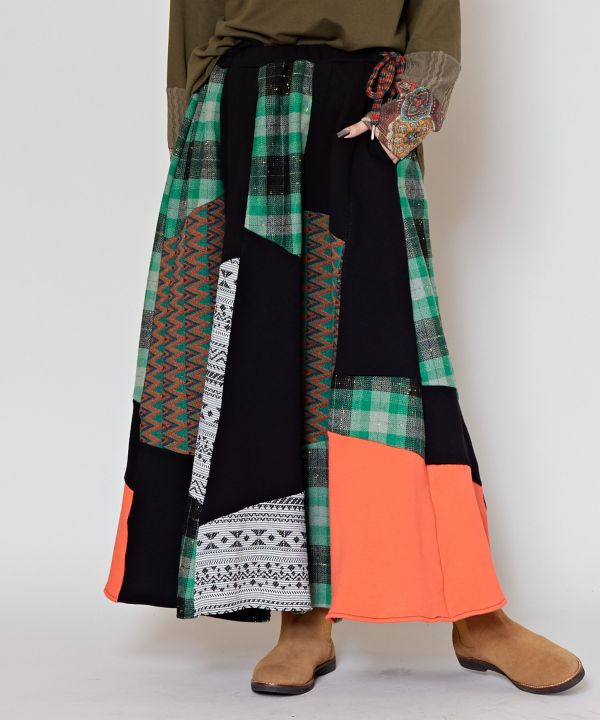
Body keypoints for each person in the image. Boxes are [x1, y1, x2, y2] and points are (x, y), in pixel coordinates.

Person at [104, 0, 585, 696]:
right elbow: (193, 24)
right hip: (238, 113)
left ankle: (477, 614)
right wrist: (197, 140)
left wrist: (407, 116)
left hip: (360, 114)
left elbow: (434, 17)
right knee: (262, 369)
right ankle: (302, 620)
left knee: (399, 367)